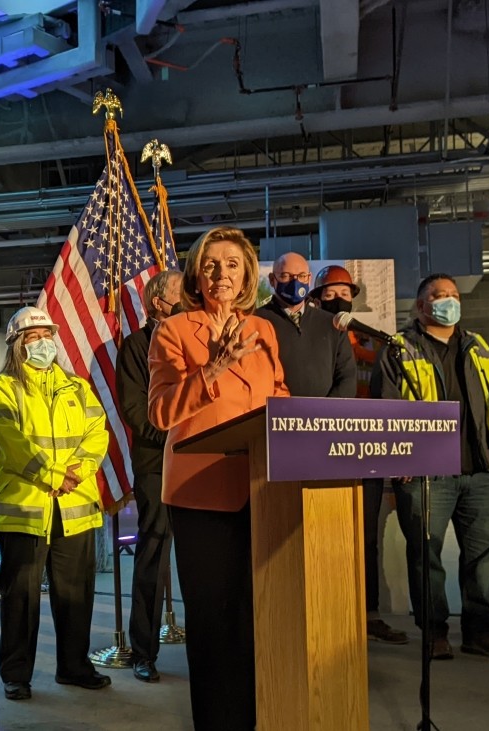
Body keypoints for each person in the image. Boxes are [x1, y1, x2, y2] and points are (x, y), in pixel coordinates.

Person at [148, 226, 288, 731]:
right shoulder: (175, 331)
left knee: (256, 618)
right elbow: (161, 411)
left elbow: (277, 395)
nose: (221, 274)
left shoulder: (265, 331)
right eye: (210, 264)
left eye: (232, 264)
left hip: (263, 489)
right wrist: (213, 368)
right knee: (213, 624)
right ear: (195, 274)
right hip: (200, 494)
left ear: (248, 273)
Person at [374, 273, 489, 661]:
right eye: (438, 296)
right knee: (427, 556)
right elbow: (385, 408)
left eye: (453, 295)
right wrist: (399, 458)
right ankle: (434, 632)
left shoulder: (479, 347)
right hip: (425, 475)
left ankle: (480, 631)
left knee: (482, 557)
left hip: (480, 473)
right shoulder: (399, 349)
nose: (447, 301)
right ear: (421, 306)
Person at [0, 306, 111, 702]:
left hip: (75, 508)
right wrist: (56, 475)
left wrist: (80, 468)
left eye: (46, 335)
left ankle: (74, 667)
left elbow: (98, 431)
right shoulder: (2, 388)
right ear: (17, 345)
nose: (42, 343)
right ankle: (16, 675)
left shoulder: (77, 387)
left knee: (75, 595)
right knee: (20, 599)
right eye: (33, 337)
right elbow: (11, 441)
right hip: (24, 512)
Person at [310, 264, 408, 645]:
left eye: (344, 292)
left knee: (366, 538)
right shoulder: (309, 338)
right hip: (321, 451)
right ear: (316, 298)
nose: (338, 299)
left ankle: (367, 616)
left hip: (365, 452)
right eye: (329, 293)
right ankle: (325, 612)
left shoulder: (373, 341)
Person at [116, 269, 183, 683]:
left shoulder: (196, 339)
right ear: (158, 302)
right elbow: (134, 409)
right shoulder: (136, 345)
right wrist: (175, 437)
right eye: (180, 294)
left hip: (200, 461)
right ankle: (144, 651)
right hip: (158, 463)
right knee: (154, 556)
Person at [257, 252, 355, 399]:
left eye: (301, 276)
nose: (295, 282)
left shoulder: (331, 324)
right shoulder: (256, 321)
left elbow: (347, 377)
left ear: (309, 279)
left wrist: (327, 414)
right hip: (274, 417)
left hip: (324, 418)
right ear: (272, 280)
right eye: (286, 276)